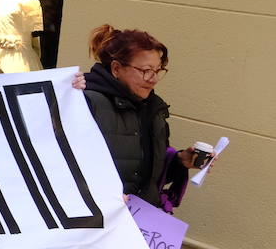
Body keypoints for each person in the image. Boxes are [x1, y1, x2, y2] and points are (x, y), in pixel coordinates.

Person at [83, 25, 201, 209]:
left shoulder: (153, 108)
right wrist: (104, 197)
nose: (153, 79)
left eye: (158, 70)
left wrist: (180, 161)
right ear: (116, 68)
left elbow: (146, 174)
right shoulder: (86, 102)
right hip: (97, 217)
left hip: (138, 216)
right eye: (146, 70)